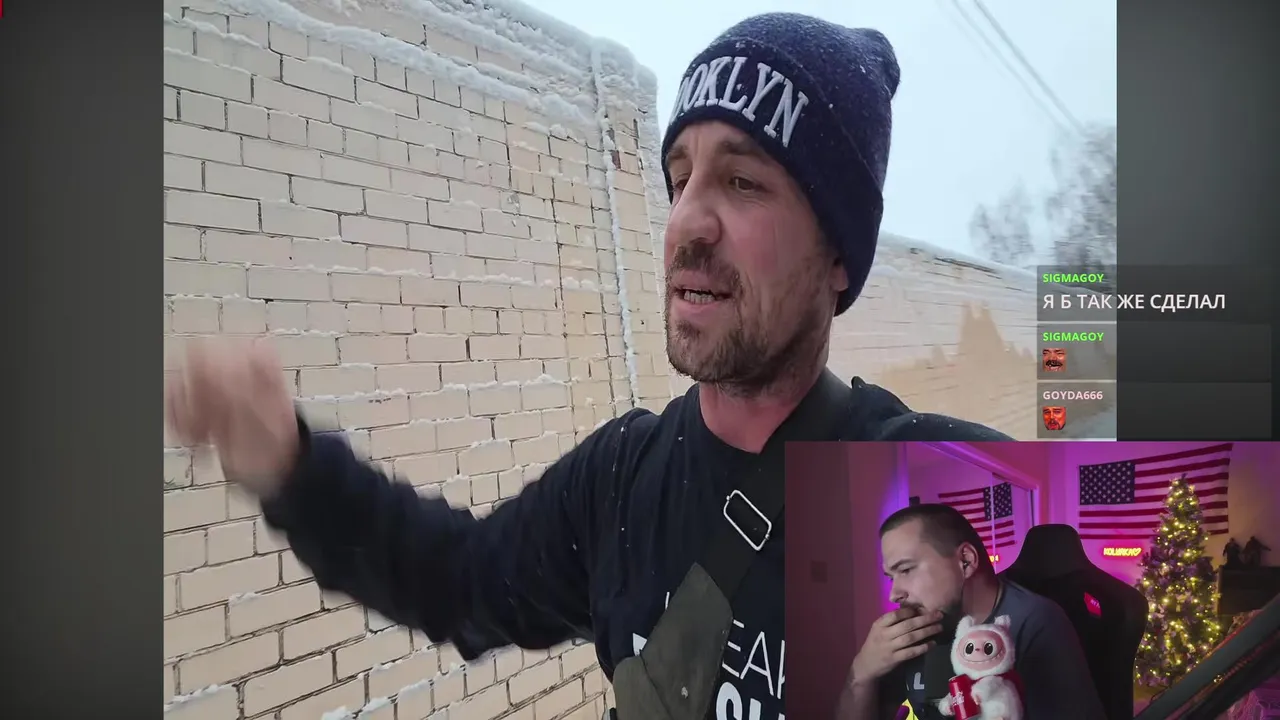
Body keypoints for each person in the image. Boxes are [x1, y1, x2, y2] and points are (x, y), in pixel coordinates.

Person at [165, 13, 1012, 720]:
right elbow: (456, 579)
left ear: (838, 257)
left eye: (743, 182)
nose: (686, 223)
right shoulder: (622, 480)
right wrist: (293, 468)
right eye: (679, 178)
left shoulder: (933, 487)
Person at [837, 504, 1105, 720]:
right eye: (890, 577)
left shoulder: (1036, 622)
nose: (894, 594)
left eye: (906, 570)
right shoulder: (916, 628)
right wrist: (861, 673)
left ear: (965, 561)